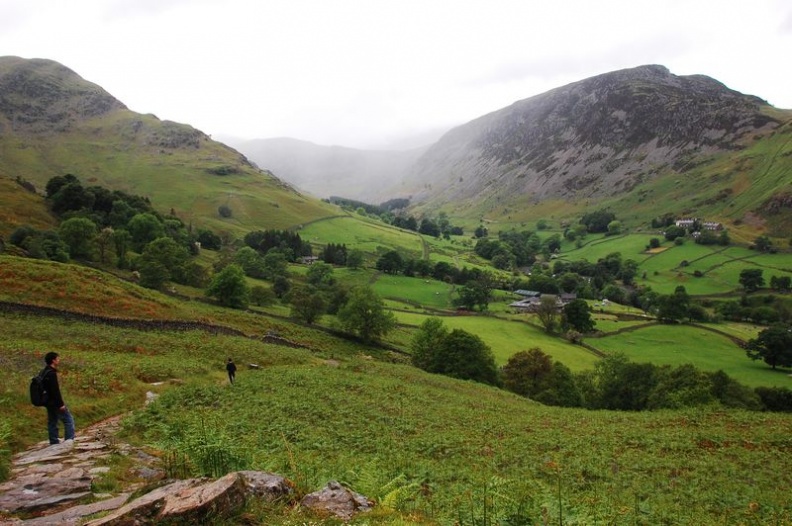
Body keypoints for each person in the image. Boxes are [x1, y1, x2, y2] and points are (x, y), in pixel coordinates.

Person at [42, 351, 75, 445]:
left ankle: (53, 440)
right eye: (58, 359)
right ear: (53, 360)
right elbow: (55, 390)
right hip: (54, 402)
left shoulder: (44, 371)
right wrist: (61, 404)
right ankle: (69, 440)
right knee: (68, 420)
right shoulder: (51, 373)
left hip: (47, 401)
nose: (59, 360)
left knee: (52, 421)